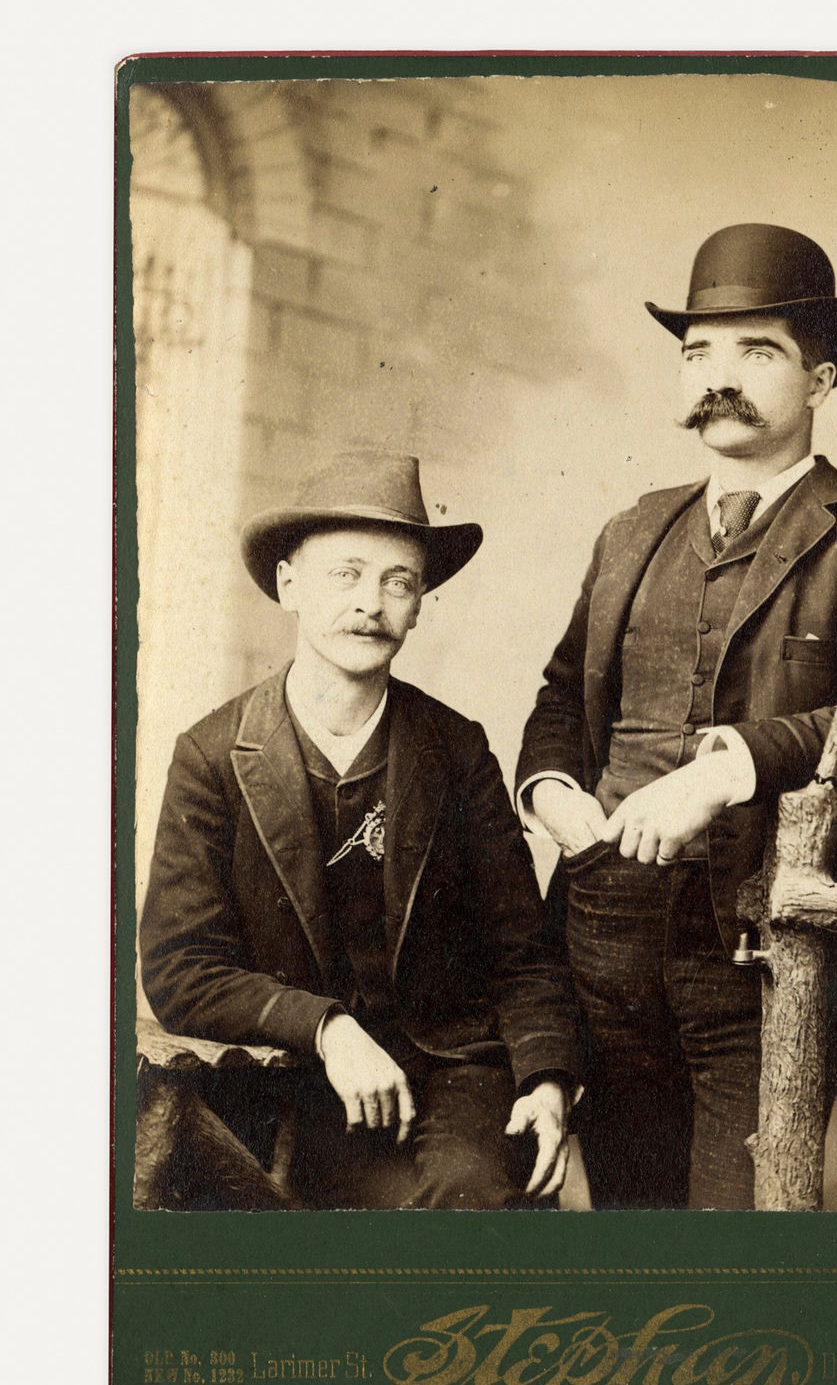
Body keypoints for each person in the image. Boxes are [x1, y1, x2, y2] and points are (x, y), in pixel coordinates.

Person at [516, 223, 837, 1211]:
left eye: (758, 352)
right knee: (631, 1220)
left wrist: (722, 772)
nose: (720, 375)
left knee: (741, 1228)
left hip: (761, 947)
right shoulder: (632, 528)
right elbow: (559, 694)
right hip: (604, 932)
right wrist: (551, 790)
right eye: (698, 351)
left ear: (821, 379)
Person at [141, 448, 579, 1210]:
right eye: (344, 574)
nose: (370, 603)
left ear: (419, 604)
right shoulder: (214, 754)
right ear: (289, 586)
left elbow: (522, 951)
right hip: (292, 1079)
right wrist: (326, 1028)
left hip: (448, 1072)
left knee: (472, 1203)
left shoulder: (454, 747)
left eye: (397, 581)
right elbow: (182, 967)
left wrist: (546, 1078)